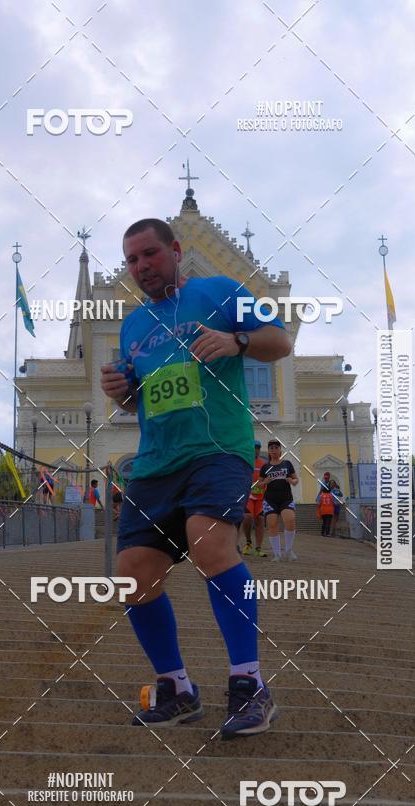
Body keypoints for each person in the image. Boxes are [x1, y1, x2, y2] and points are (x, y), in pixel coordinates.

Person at [100, 217, 291, 739]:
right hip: (156, 461)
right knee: (134, 574)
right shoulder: (133, 325)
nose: (141, 267)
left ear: (175, 251)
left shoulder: (221, 291)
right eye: (132, 259)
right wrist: (119, 388)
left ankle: (250, 685)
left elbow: (280, 341)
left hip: (217, 448)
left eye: (150, 255)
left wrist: (236, 341)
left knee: (210, 546)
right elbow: (139, 398)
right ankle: (177, 689)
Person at [260, 439, 299, 562]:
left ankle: (288, 549)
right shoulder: (265, 467)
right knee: (272, 525)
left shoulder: (287, 464)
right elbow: (259, 484)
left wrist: (292, 481)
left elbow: (296, 479)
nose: (274, 450)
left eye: (276, 448)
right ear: (269, 451)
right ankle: (277, 554)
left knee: (290, 520)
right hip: (270, 499)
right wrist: (264, 482)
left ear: (280, 450)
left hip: (286, 498)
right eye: (271, 448)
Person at [242, 440, 267, 557]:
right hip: (248, 497)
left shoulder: (264, 464)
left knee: (260, 520)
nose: (255, 450)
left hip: (261, 497)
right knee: (248, 517)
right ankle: (248, 541)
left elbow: (268, 479)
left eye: (257, 447)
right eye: (253, 448)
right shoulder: (245, 462)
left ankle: (258, 548)